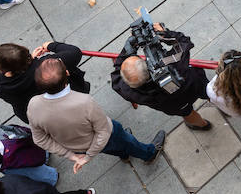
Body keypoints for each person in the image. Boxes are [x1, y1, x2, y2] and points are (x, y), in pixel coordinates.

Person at [28, 57, 164, 169]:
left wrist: (72, 156)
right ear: (67, 74)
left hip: (79, 147)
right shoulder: (84, 101)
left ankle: (124, 155)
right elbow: (103, 132)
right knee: (125, 140)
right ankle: (150, 153)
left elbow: (40, 139)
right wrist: (88, 157)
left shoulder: (33, 105)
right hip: (106, 137)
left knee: (114, 148)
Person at [110, 21, 212, 133]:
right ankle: (214, 98)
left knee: (187, 113)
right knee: (208, 91)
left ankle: (203, 125)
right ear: (146, 65)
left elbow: (116, 79)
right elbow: (184, 42)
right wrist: (164, 34)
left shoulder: (133, 92)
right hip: (195, 85)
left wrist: (126, 51)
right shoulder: (170, 62)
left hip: (174, 105)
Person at [0, 41, 89, 123]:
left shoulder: (1, 86)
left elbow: (23, 75)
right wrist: (51, 45)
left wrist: (29, 62)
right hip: (67, 102)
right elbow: (74, 53)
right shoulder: (45, 67)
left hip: (38, 116)